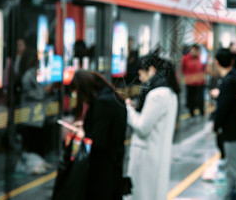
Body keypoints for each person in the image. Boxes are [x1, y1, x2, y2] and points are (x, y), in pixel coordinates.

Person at [125, 53, 179, 200]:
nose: (140, 77)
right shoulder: (170, 93)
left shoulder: (157, 95)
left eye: (141, 73)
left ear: (152, 70)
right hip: (156, 155)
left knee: (143, 194)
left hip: (147, 157)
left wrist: (128, 109)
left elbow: (142, 127)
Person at [69, 70, 127, 200]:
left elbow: (99, 141)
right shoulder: (112, 96)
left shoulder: (103, 103)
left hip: (103, 170)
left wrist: (82, 134)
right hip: (114, 165)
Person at [213, 48, 236, 199]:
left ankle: (235, 195)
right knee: (234, 165)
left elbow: (223, 108)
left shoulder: (228, 82)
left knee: (233, 168)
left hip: (232, 130)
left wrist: (216, 126)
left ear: (217, 62)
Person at [181, 44, 206, 117]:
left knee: (200, 97)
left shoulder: (201, 57)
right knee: (190, 97)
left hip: (200, 82)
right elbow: (183, 69)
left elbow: (204, 68)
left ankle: (201, 110)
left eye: (196, 50)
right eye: (193, 50)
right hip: (190, 82)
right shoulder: (185, 58)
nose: (194, 52)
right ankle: (191, 111)